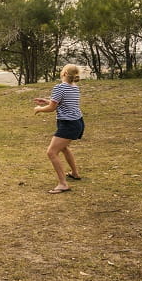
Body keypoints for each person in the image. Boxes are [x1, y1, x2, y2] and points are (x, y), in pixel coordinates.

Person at [34, 64, 84, 194]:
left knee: (51, 152)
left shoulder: (60, 87)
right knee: (63, 148)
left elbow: (52, 108)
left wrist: (39, 109)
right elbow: (63, 103)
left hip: (68, 124)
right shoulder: (74, 87)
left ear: (65, 73)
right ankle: (75, 173)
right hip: (77, 122)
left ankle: (63, 184)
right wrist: (46, 101)